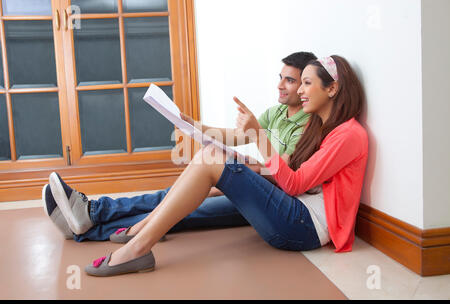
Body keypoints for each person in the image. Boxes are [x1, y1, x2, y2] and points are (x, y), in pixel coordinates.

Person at [78, 54, 369, 276]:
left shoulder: (349, 135)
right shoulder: (322, 126)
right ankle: (124, 231)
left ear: (332, 89)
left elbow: (293, 183)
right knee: (210, 158)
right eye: (299, 82)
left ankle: (137, 247)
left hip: (304, 227)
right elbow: (288, 174)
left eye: (306, 83)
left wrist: (256, 139)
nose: (299, 91)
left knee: (210, 160)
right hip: (292, 209)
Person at [43, 52, 317, 242]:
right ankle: (92, 211)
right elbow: (235, 135)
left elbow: (284, 178)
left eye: (290, 81)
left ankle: (85, 227)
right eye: (280, 77)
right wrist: (193, 125)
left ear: (306, 86)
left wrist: (245, 168)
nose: (280, 85)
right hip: (251, 180)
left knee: (184, 212)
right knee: (170, 195)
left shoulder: (307, 124)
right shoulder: (278, 113)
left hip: (269, 199)